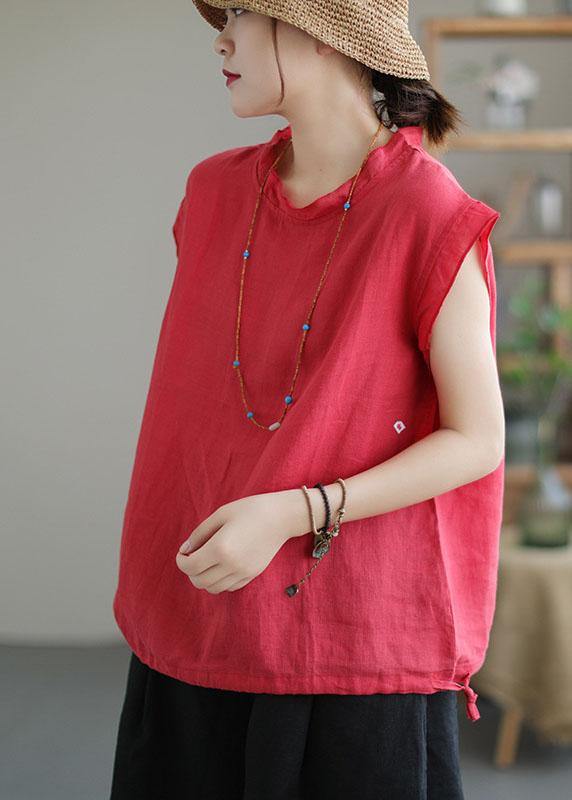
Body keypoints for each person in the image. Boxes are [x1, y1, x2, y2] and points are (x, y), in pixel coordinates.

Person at [109, 2, 506, 798]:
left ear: (323, 34)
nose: (221, 38)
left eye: (242, 14)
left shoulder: (425, 210)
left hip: (351, 648)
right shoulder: (213, 192)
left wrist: (293, 511)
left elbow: (478, 438)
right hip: (196, 610)